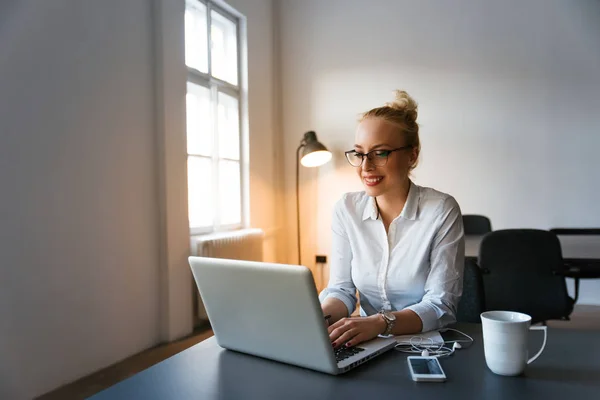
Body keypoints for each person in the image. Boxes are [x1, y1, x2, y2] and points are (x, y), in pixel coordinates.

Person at [319, 90, 465, 350]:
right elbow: (341, 291)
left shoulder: (441, 210)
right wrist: (319, 317)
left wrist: (380, 322)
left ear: (412, 155)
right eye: (360, 153)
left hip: (426, 346)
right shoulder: (346, 209)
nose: (365, 167)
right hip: (365, 342)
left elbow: (440, 306)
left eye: (381, 153)